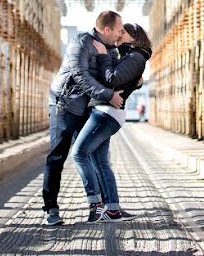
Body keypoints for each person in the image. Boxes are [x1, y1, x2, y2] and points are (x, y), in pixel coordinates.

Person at [42, 11, 124, 226]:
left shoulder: (111, 48)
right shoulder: (81, 42)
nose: (120, 33)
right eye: (118, 29)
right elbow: (80, 75)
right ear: (106, 30)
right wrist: (108, 95)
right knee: (58, 155)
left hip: (88, 106)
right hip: (65, 103)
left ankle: (100, 207)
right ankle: (51, 208)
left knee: (94, 155)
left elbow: (113, 76)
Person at [71, 22, 152, 223]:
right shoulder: (129, 56)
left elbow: (111, 79)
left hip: (107, 113)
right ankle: (112, 208)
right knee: (100, 161)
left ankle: (96, 204)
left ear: (134, 37)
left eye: (122, 32)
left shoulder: (136, 57)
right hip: (106, 111)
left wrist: (103, 56)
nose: (118, 35)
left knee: (79, 153)